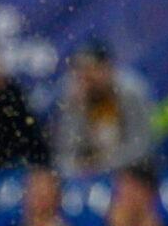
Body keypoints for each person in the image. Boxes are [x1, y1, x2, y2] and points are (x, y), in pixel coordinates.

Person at [54, 42, 155, 178]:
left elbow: (141, 148)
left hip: (129, 171)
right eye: (81, 71)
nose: (87, 78)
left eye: (92, 70)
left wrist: (101, 164)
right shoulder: (73, 93)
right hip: (88, 173)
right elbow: (66, 152)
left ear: (107, 68)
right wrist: (77, 109)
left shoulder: (131, 92)